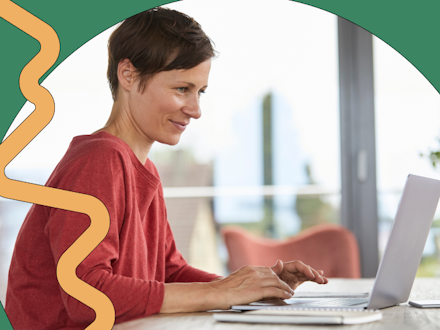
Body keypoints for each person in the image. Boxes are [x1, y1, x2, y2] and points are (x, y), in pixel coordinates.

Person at [5, 7, 328, 329]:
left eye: (200, 91)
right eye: (181, 89)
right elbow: (87, 297)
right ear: (128, 75)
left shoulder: (143, 168)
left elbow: (169, 272)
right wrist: (221, 292)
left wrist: (255, 288)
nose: (195, 110)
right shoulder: (99, 160)